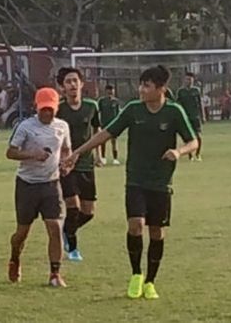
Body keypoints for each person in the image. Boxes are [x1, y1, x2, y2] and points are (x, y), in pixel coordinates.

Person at [63, 65, 200, 300]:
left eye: (147, 86)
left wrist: (179, 151)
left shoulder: (174, 112)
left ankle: (150, 281)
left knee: (156, 232)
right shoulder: (133, 110)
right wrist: (78, 152)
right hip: (135, 180)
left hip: (160, 182)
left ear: (161, 89)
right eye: (141, 84)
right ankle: (136, 274)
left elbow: (193, 141)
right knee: (136, 225)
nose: (141, 89)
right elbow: (106, 133)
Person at [6, 87, 72, 287]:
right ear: (36, 107)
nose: (47, 113)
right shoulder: (26, 127)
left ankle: (54, 273)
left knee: (54, 227)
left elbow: (67, 150)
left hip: (51, 184)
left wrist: (68, 164)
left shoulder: (62, 126)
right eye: (43, 109)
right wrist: (33, 154)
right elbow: (10, 152)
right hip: (27, 185)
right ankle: (15, 257)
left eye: (50, 109)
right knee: (22, 232)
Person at [55, 67, 101, 262]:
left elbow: (98, 130)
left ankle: (66, 230)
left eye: (75, 80)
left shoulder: (92, 106)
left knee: (88, 212)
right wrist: (59, 160)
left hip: (86, 164)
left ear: (82, 84)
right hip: (66, 165)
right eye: (68, 82)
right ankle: (73, 248)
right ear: (62, 87)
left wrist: (99, 155)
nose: (72, 85)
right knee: (73, 206)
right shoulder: (59, 108)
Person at [176, 72, 206, 161]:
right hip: (186, 118)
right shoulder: (181, 91)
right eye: (187, 79)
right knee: (188, 137)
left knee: (198, 136)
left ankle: (198, 154)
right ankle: (190, 155)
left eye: (190, 79)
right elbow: (178, 104)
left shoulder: (196, 91)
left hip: (195, 117)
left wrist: (203, 115)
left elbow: (200, 104)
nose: (188, 81)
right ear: (184, 80)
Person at [97, 85, 121, 166]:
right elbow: (98, 112)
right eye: (109, 90)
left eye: (112, 90)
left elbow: (118, 114)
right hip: (104, 124)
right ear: (106, 91)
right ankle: (103, 158)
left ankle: (115, 159)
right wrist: (99, 124)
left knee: (114, 142)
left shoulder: (116, 101)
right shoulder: (101, 101)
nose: (110, 92)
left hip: (113, 124)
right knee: (103, 141)